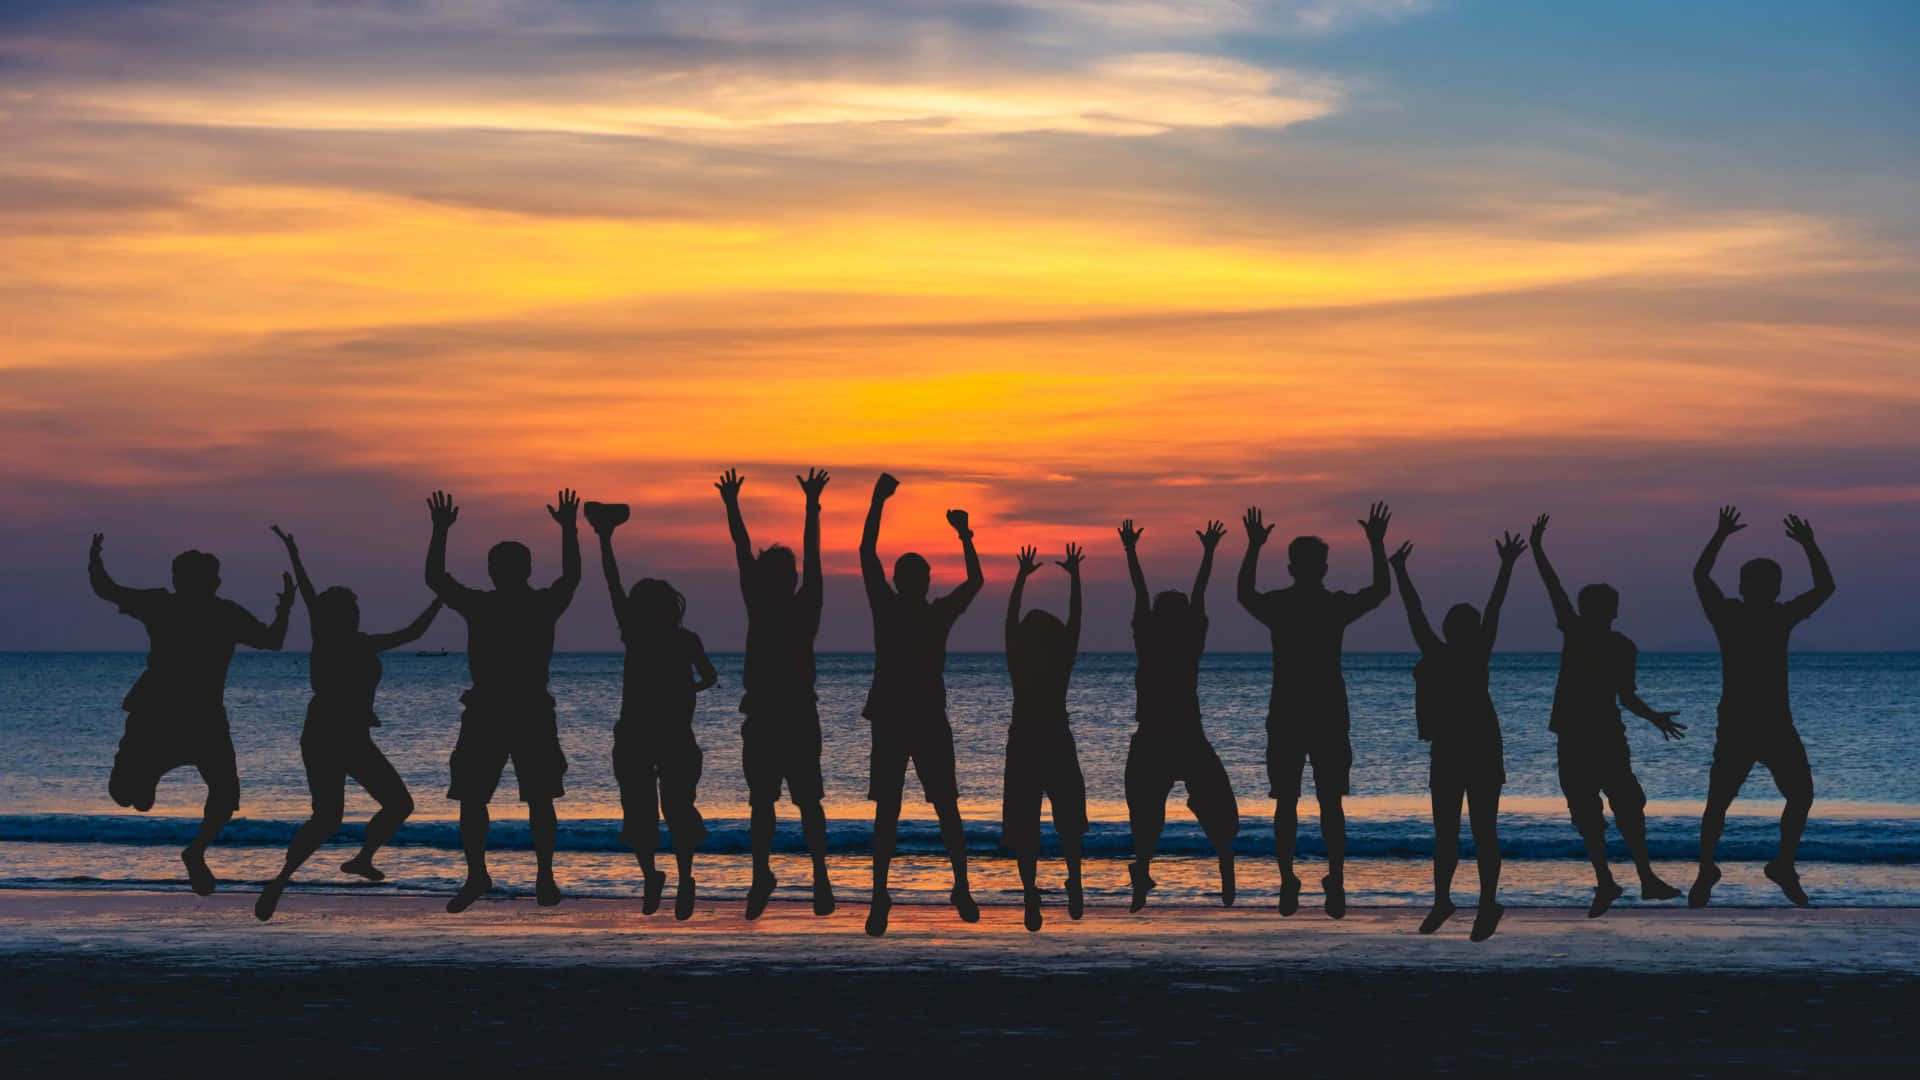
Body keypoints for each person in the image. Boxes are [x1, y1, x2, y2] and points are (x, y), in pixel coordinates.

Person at [88, 533, 294, 896]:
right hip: (160, 715)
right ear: (195, 581)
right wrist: (285, 609)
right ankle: (146, 780)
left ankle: (195, 851)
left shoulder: (206, 610)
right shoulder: (180, 607)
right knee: (124, 794)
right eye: (212, 577)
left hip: (198, 719)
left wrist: (285, 609)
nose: (216, 582)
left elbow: (107, 589)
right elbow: (107, 589)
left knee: (226, 794)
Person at [256, 526, 442, 921]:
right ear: (339, 616)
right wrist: (293, 551)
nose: (356, 615)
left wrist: (441, 598)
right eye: (350, 611)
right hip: (327, 735)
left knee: (392, 804)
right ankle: (285, 878)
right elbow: (310, 594)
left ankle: (357, 860)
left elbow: (414, 632)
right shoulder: (333, 638)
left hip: (348, 737)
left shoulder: (348, 641)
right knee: (335, 815)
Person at [425, 489, 580, 914]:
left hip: (521, 709)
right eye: (499, 566)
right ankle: (485, 874)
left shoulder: (523, 604)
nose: (502, 572)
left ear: (519, 570)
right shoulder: (492, 604)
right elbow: (571, 579)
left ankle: (540, 874)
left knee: (531, 798)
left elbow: (437, 580)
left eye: (505, 565)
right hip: (492, 710)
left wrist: (440, 531)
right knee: (480, 798)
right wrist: (569, 529)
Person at [1237, 503, 1391, 919]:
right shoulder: (1332, 607)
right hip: (1322, 713)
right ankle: (1330, 878)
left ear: (1292, 568)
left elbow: (1244, 595)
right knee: (1328, 803)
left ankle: (1293, 878)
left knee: (1288, 803)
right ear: (1322, 568)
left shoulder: (1286, 607)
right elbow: (1379, 592)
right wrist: (1376, 545)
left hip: (1293, 712)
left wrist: (1252, 548)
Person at [1530, 513, 1686, 917]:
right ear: (1608, 610)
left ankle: (1627, 880)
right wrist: (1537, 551)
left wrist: (1654, 718)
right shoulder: (1600, 638)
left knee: (1611, 810)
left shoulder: (1609, 643)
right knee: (1602, 811)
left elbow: (1626, 696)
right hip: (1590, 736)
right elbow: (1555, 590)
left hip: (1590, 736)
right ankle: (1617, 880)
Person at [1689, 507, 1835, 908]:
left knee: (1793, 795)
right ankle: (1712, 869)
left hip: (1765, 723)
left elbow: (1701, 578)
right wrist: (1808, 545)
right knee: (1727, 800)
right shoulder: (1756, 615)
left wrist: (1720, 536)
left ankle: (1771, 866)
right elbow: (1825, 587)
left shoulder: (1758, 616)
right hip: (1750, 722)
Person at [859, 472, 984, 936]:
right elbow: (975, 580)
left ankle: (937, 889)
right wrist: (964, 535)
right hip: (905, 718)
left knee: (909, 808)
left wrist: (878, 502)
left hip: (914, 718)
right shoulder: (921, 612)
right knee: (928, 807)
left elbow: (866, 553)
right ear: (923, 581)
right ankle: (898, 892)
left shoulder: (915, 612)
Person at [1389, 531, 1526, 942]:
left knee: (1476, 830)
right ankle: (1448, 900)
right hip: (1455, 749)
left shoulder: (1468, 651)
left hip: (1475, 748)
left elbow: (1492, 606)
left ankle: (1485, 903)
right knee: (1454, 831)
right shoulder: (1446, 652)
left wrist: (1506, 567)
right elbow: (1418, 613)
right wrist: (1400, 572)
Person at [718, 467, 835, 919]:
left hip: (795, 716)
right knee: (764, 803)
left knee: (806, 802)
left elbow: (814, 554)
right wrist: (731, 506)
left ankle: (820, 876)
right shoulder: (763, 604)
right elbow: (741, 552)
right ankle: (763, 875)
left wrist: (811, 507)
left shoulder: (804, 605)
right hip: (767, 717)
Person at [592, 505, 717, 920]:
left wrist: (687, 689)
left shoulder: (678, 638)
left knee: (673, 810)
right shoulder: (646, 633)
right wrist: (605, 541)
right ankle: (657, 877)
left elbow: (708, 676)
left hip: (668, 736)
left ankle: (681, 880)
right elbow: (612, 584)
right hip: (641, 736)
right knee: (644, 812)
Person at [1121, 518, 1238, 912]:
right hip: (1183, 735)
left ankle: (1145, 867)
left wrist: (1131, 551)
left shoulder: (1151, 640)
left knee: (1145, 810)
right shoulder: (1186, 641)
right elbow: (1198, 593)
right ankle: (1220, 859)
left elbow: (1141, 592)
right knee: (1205, 802)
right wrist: (1208, 552)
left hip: (1160, 735)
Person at [1002, 542, 1089, 932]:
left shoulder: (1020, 659)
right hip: (1055, 741)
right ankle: (1074, 878)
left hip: (1024, 744)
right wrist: (1075, 577)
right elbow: (1076, 621)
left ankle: (1030, 894)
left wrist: (1020, 577)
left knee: (1026, 826)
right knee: (1068, 820)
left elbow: (1009, 621)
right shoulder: (1059, 659)